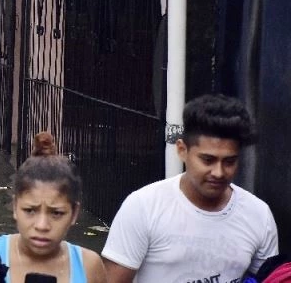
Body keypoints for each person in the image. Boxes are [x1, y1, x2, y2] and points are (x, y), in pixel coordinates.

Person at [102, 94, 279, 283]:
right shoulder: (143, 207)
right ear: (182, 150)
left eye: (229, 161)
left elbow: (272, 279)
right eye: (207, 160)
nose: (218, 172)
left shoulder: (258, 215)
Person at [0, 132, 106, 283]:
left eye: (56, 213)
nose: (42, 226)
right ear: (15, 206)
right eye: (30, 211)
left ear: (74, 213)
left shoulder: (89, 266)